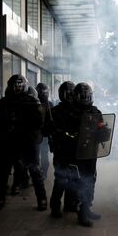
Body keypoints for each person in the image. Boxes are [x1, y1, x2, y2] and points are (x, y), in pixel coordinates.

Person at [50, 82, 108, 227]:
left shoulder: (95, 112)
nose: (86, 98)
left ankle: (86, 208)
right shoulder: (68, 112)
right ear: (76, 97)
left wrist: (103, 133)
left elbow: (101, 130)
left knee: (90, 181)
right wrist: (73, 137)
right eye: (83, 96)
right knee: (74, 182)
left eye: (88, 96)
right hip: (73, 154)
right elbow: (61, 133)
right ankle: (80, 213)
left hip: (89, 154)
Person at [0, 74, 47, 211]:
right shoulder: (4, 102)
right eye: (15, 85)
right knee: (2, 171)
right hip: (8, 141)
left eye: (20, 85)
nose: (18, 88)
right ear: (10, 87)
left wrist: (36, 106)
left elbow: (39, 122)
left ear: (25, 86)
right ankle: (0, 198)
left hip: (27, 141)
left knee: (35, 170)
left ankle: (42, 199)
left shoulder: (31, 101)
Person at [49, 81, 79, 216]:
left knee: (73, 179)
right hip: (61, 150)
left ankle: (70, 204)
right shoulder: (55, 111)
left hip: (74, 150)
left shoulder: (79, 110)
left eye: (72, 94)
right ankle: (55, 207)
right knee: (61, 179)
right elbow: (49, 130)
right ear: (62, 94)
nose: (70, 96)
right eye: (67, 94)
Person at [36, 83, 53, 179]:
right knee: (41, 154)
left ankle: (43, 172)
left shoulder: (49, 104)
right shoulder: (35, 103)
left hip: (43, 134)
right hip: (38, 133)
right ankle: (41, 172)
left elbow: (51, 121)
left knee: (42, 154)